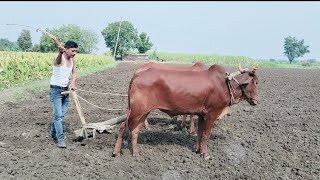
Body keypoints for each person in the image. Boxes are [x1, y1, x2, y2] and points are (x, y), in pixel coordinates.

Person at [49, 41, 78, 148]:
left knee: (61, 114)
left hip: (66, 90)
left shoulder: (72, 60)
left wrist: (73, 82)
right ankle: (60, 139)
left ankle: (52, 132)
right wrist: (60, 53)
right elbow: (57, 62)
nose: (74, 53)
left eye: (76, 51)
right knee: (58, 116)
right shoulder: (59, 57)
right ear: (66, 49)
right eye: (73, 51)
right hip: (56, 90)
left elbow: (74, 72)